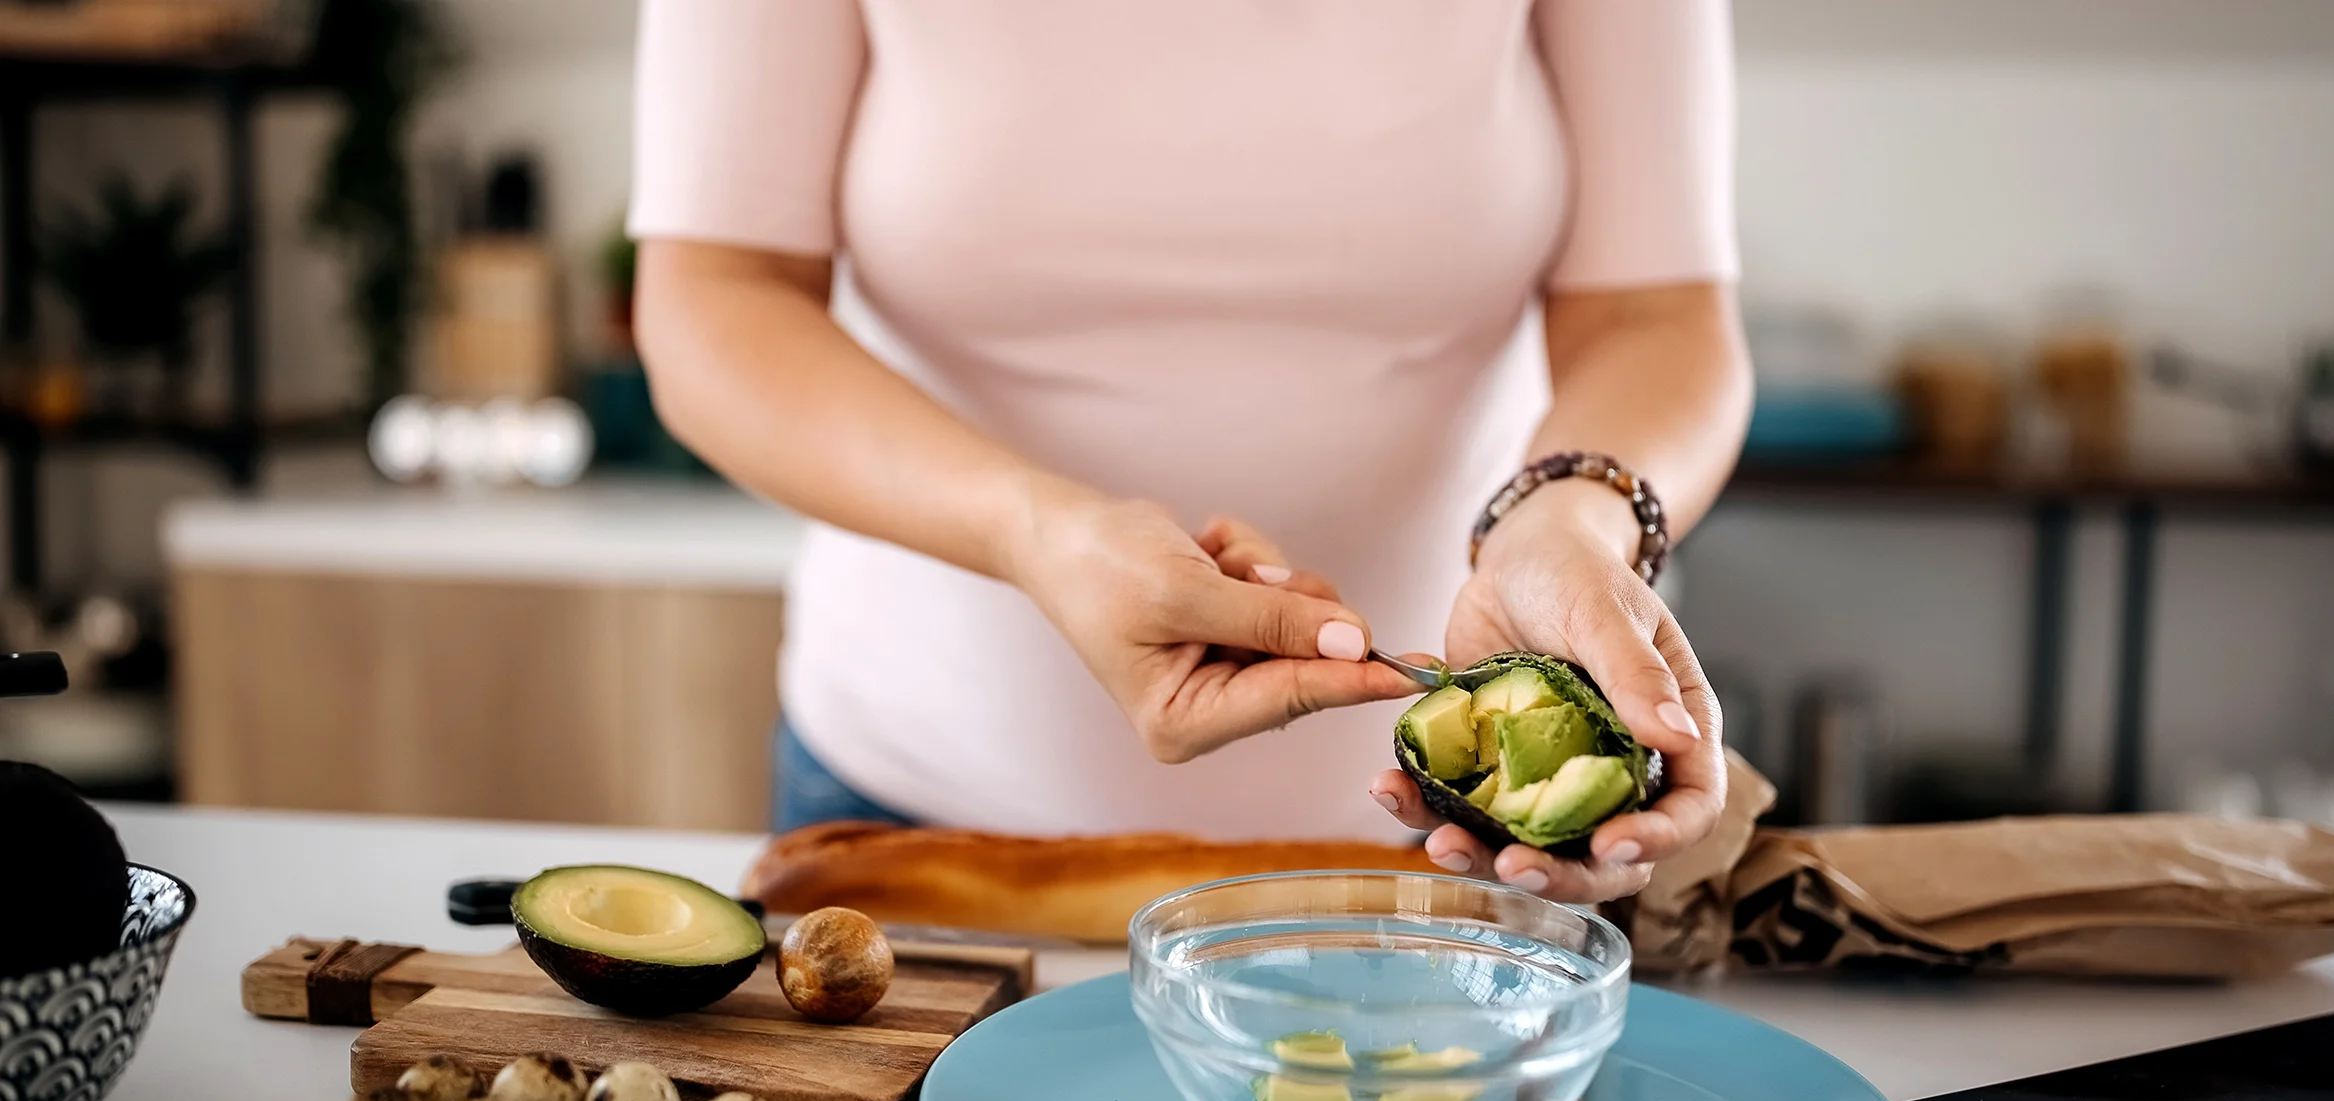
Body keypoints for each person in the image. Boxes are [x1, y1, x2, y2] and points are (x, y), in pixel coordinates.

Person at [628, 0, 1752, 906]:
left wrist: (1563, 523)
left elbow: (1656, 317)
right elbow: (713, 304)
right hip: (919, 822)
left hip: (1434, 858)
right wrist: (1031, 530)